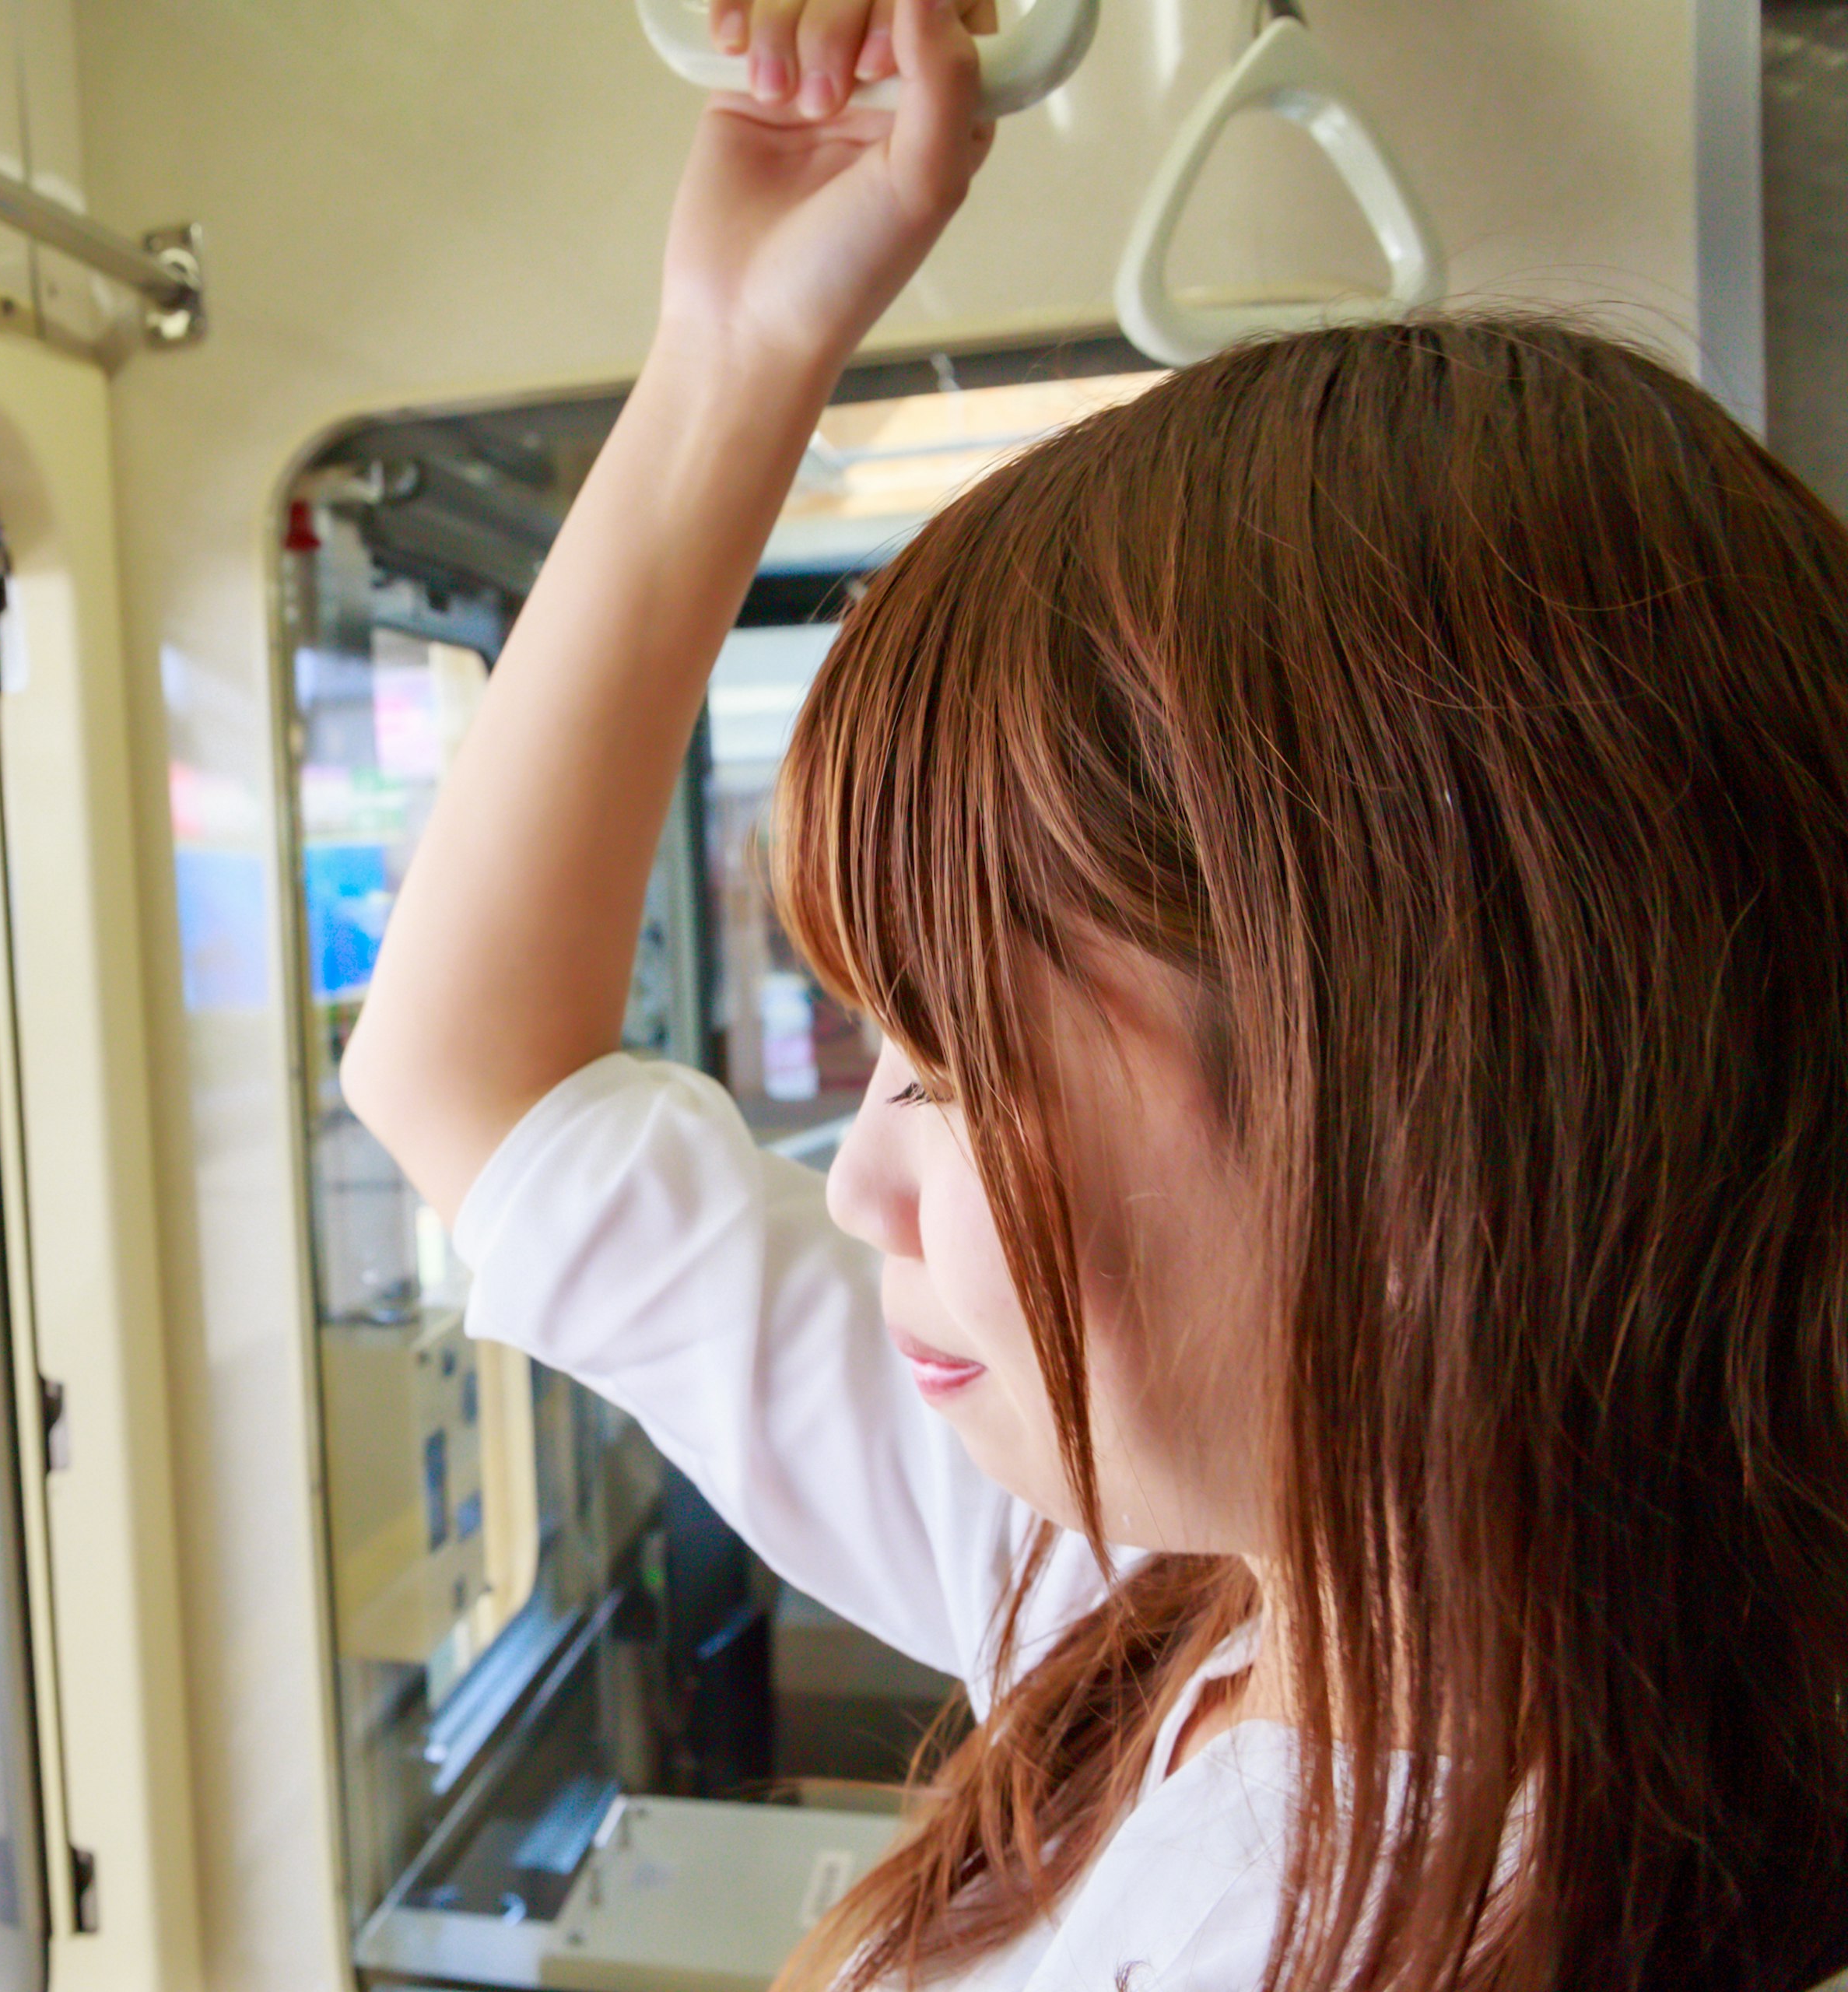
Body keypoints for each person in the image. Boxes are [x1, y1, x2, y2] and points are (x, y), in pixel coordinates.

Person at [336, 1, 1848, 1986]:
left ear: (1427, 1103)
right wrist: (735, 344)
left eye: (961, 1062)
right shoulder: (1156, 1593)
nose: (863, 1179)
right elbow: (471, 1077)